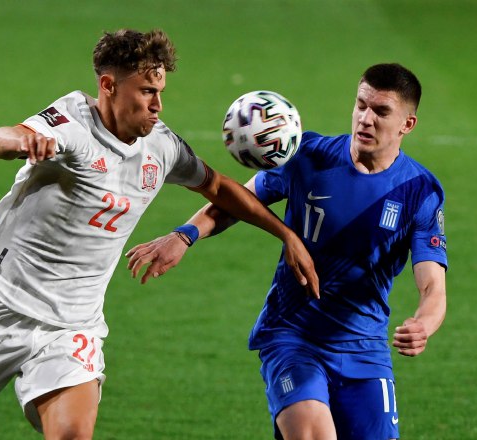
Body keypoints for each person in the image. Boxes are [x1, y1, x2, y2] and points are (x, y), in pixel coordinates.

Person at [0, 29, 318, 440]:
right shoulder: (70, 123)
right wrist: (18, 143)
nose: (157, 105)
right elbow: (2, 136)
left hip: (72, 326)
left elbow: (219, 188)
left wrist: (286, 236)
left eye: (160, 92)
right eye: (146, 92)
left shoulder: (161, 147)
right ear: (108, 86)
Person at [127, 63, 447, 440]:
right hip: (293, 336)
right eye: (361, 105)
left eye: (380, 112)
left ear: (407, 125)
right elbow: (238, 202)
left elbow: (433, 288)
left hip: (365, 349)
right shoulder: (307, 154)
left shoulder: (419, 191)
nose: (365, 119)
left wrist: (423, 325)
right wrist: (184, 235)